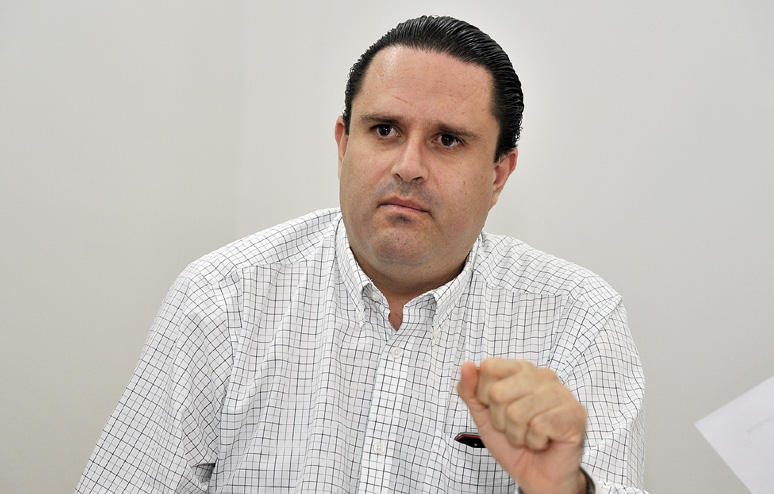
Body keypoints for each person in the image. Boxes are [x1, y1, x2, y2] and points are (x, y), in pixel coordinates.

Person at [76, 15, 645, 494]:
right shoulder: (223, 297)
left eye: (447, 139)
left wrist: (565, 490)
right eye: (385, 130)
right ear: (344, 144)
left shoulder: (578, 320)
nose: (408, 166)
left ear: (498, 174)